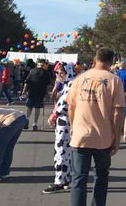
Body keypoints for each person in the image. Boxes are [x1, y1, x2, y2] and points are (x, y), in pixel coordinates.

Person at [67, 48, 125, 206]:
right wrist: (117, 136)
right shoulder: (114, 80)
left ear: (95, 59)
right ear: (111, 61)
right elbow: (117, 112)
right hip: (103, 137)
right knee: (101, 175)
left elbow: (71, 106)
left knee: (79, 177)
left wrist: (73, 126)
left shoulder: (80, 78)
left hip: (80, 135)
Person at [43, 62, 78, 194]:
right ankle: (65, 178)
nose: (57, 75)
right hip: (67, 121)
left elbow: (64, 104)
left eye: (59, 73)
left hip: (65, 121)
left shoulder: (71, 85)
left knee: (61, 150)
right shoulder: (70, 84)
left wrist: (54, 115)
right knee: (66, 151)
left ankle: (60, 180)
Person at [22, 60, 51, 131]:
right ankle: (35, 123)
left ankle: (27, 120)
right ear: (43, 65)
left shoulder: (32, 71)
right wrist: (47, 94)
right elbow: (48, 85)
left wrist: (24, 91)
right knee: (37, 108)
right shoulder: (46, 73)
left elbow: (27, 82)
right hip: (41, 93)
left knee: (29, 107)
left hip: (31, 91)